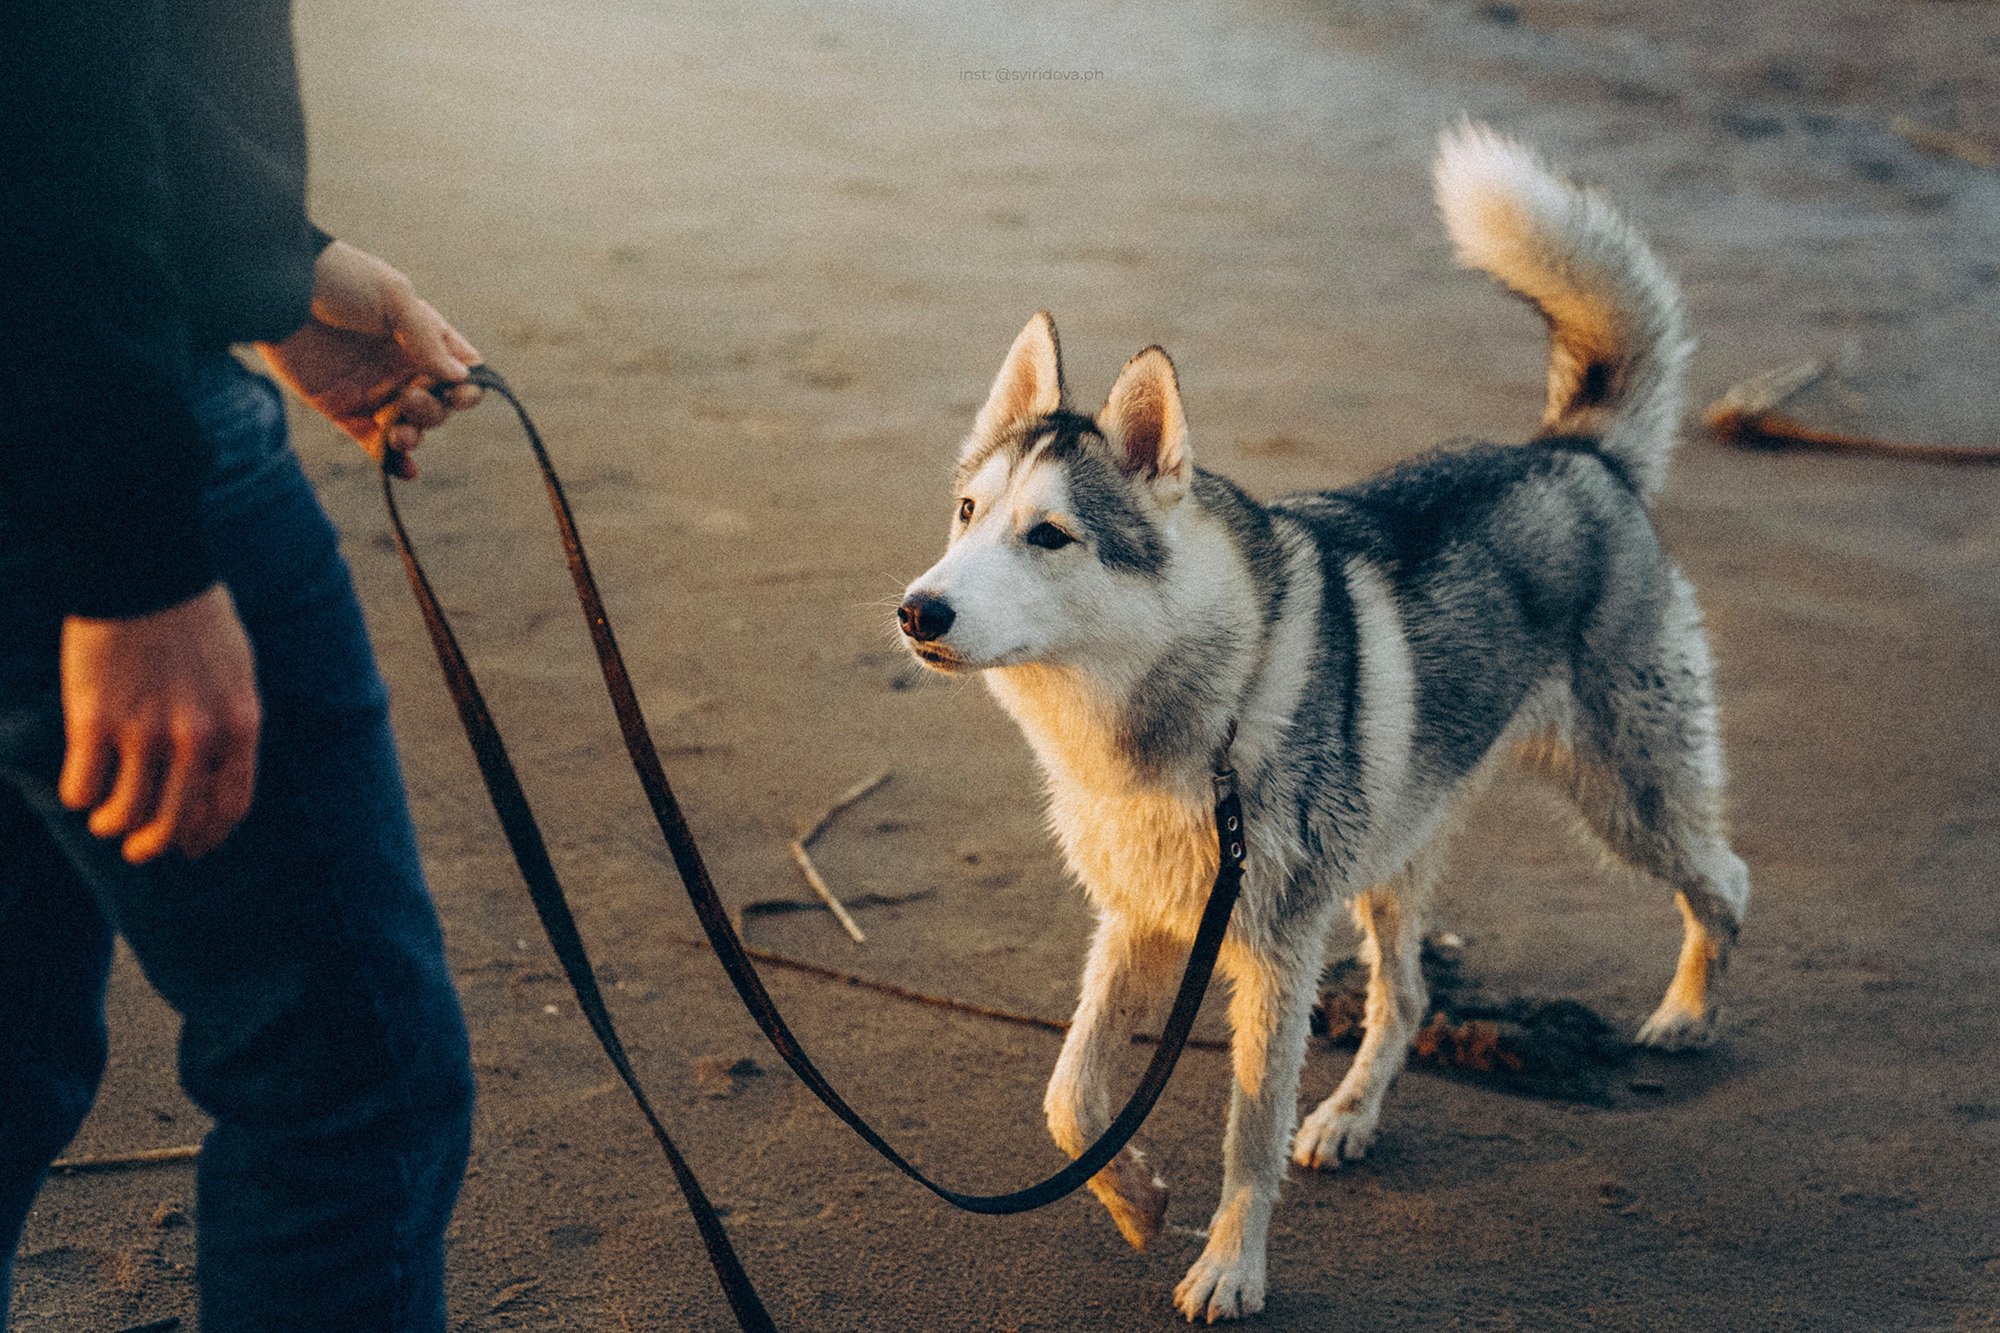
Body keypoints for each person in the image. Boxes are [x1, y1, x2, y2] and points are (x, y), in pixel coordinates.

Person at [2, 2, 481, 1327]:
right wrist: (137, 565)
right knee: (348, 1081)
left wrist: (267, 266)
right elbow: (35, 78)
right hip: (80, 453)